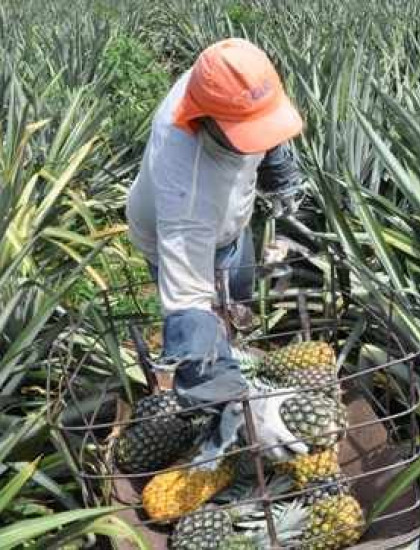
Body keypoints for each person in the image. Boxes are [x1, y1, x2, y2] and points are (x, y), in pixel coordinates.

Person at [125, 38, 308, 466]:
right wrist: (242, 407)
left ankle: (235, 354)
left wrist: (280, 173)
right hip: (178, 234)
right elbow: (187, 305)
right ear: (204, 119)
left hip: (230, 220)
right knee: (204, 319)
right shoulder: (185, 185)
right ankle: (224, 404)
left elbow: (263, 120)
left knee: (235, 300)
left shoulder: (223, 83)